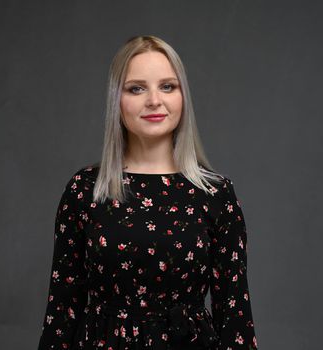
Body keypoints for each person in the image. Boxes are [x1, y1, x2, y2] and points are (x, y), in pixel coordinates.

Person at [37, 35, 258, 350]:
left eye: (167, 86)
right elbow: (62, 311)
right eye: (136, 88)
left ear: (183, 96)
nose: (154, 100)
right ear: (117, 99)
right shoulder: (85, 189)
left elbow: (235, 314)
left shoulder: (215, 193)